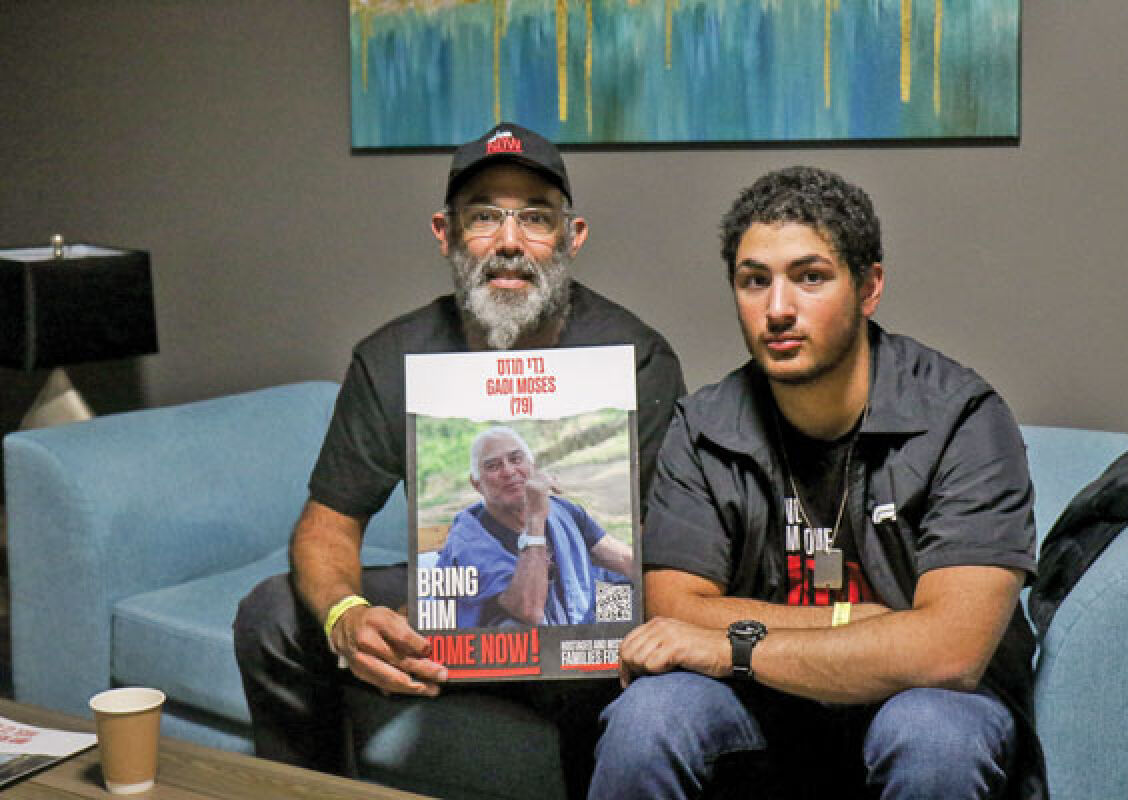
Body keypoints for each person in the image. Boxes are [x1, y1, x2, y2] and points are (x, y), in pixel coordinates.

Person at [233, 122, 685, 793]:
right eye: (483, 216)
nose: (509, 241)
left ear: (572, 236)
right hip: (459, 611)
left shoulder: (634, 357)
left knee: (593, 659)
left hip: (577, 627)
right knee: (272, 612)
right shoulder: (394, 357)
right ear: (445, 233)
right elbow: (328, 524)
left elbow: (661, 549)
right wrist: (345, 618)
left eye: (535, 216)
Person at [589, 166, 1045, 800]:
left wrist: (736, 647)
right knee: (649, 717)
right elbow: (673, 612)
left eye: (810, 278)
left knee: (932, 731)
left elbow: (949, 650)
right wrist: (864, 622)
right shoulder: (704, 427)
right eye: (755, 282)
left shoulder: (962, 419)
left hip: (928, 705)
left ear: (869, 287)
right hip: (761, 710)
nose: (777, 309)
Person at [435, 426, 634, 628]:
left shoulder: (562, 510)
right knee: (515, 628)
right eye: (493, 466)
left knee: (636, 595)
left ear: (532, 466)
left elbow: (623, 559)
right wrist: (535, 518)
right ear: (476, 484)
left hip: (576, 615)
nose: (509, 471)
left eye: (515, 459)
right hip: (508, 644)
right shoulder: (468, 540)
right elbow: (528, 610)